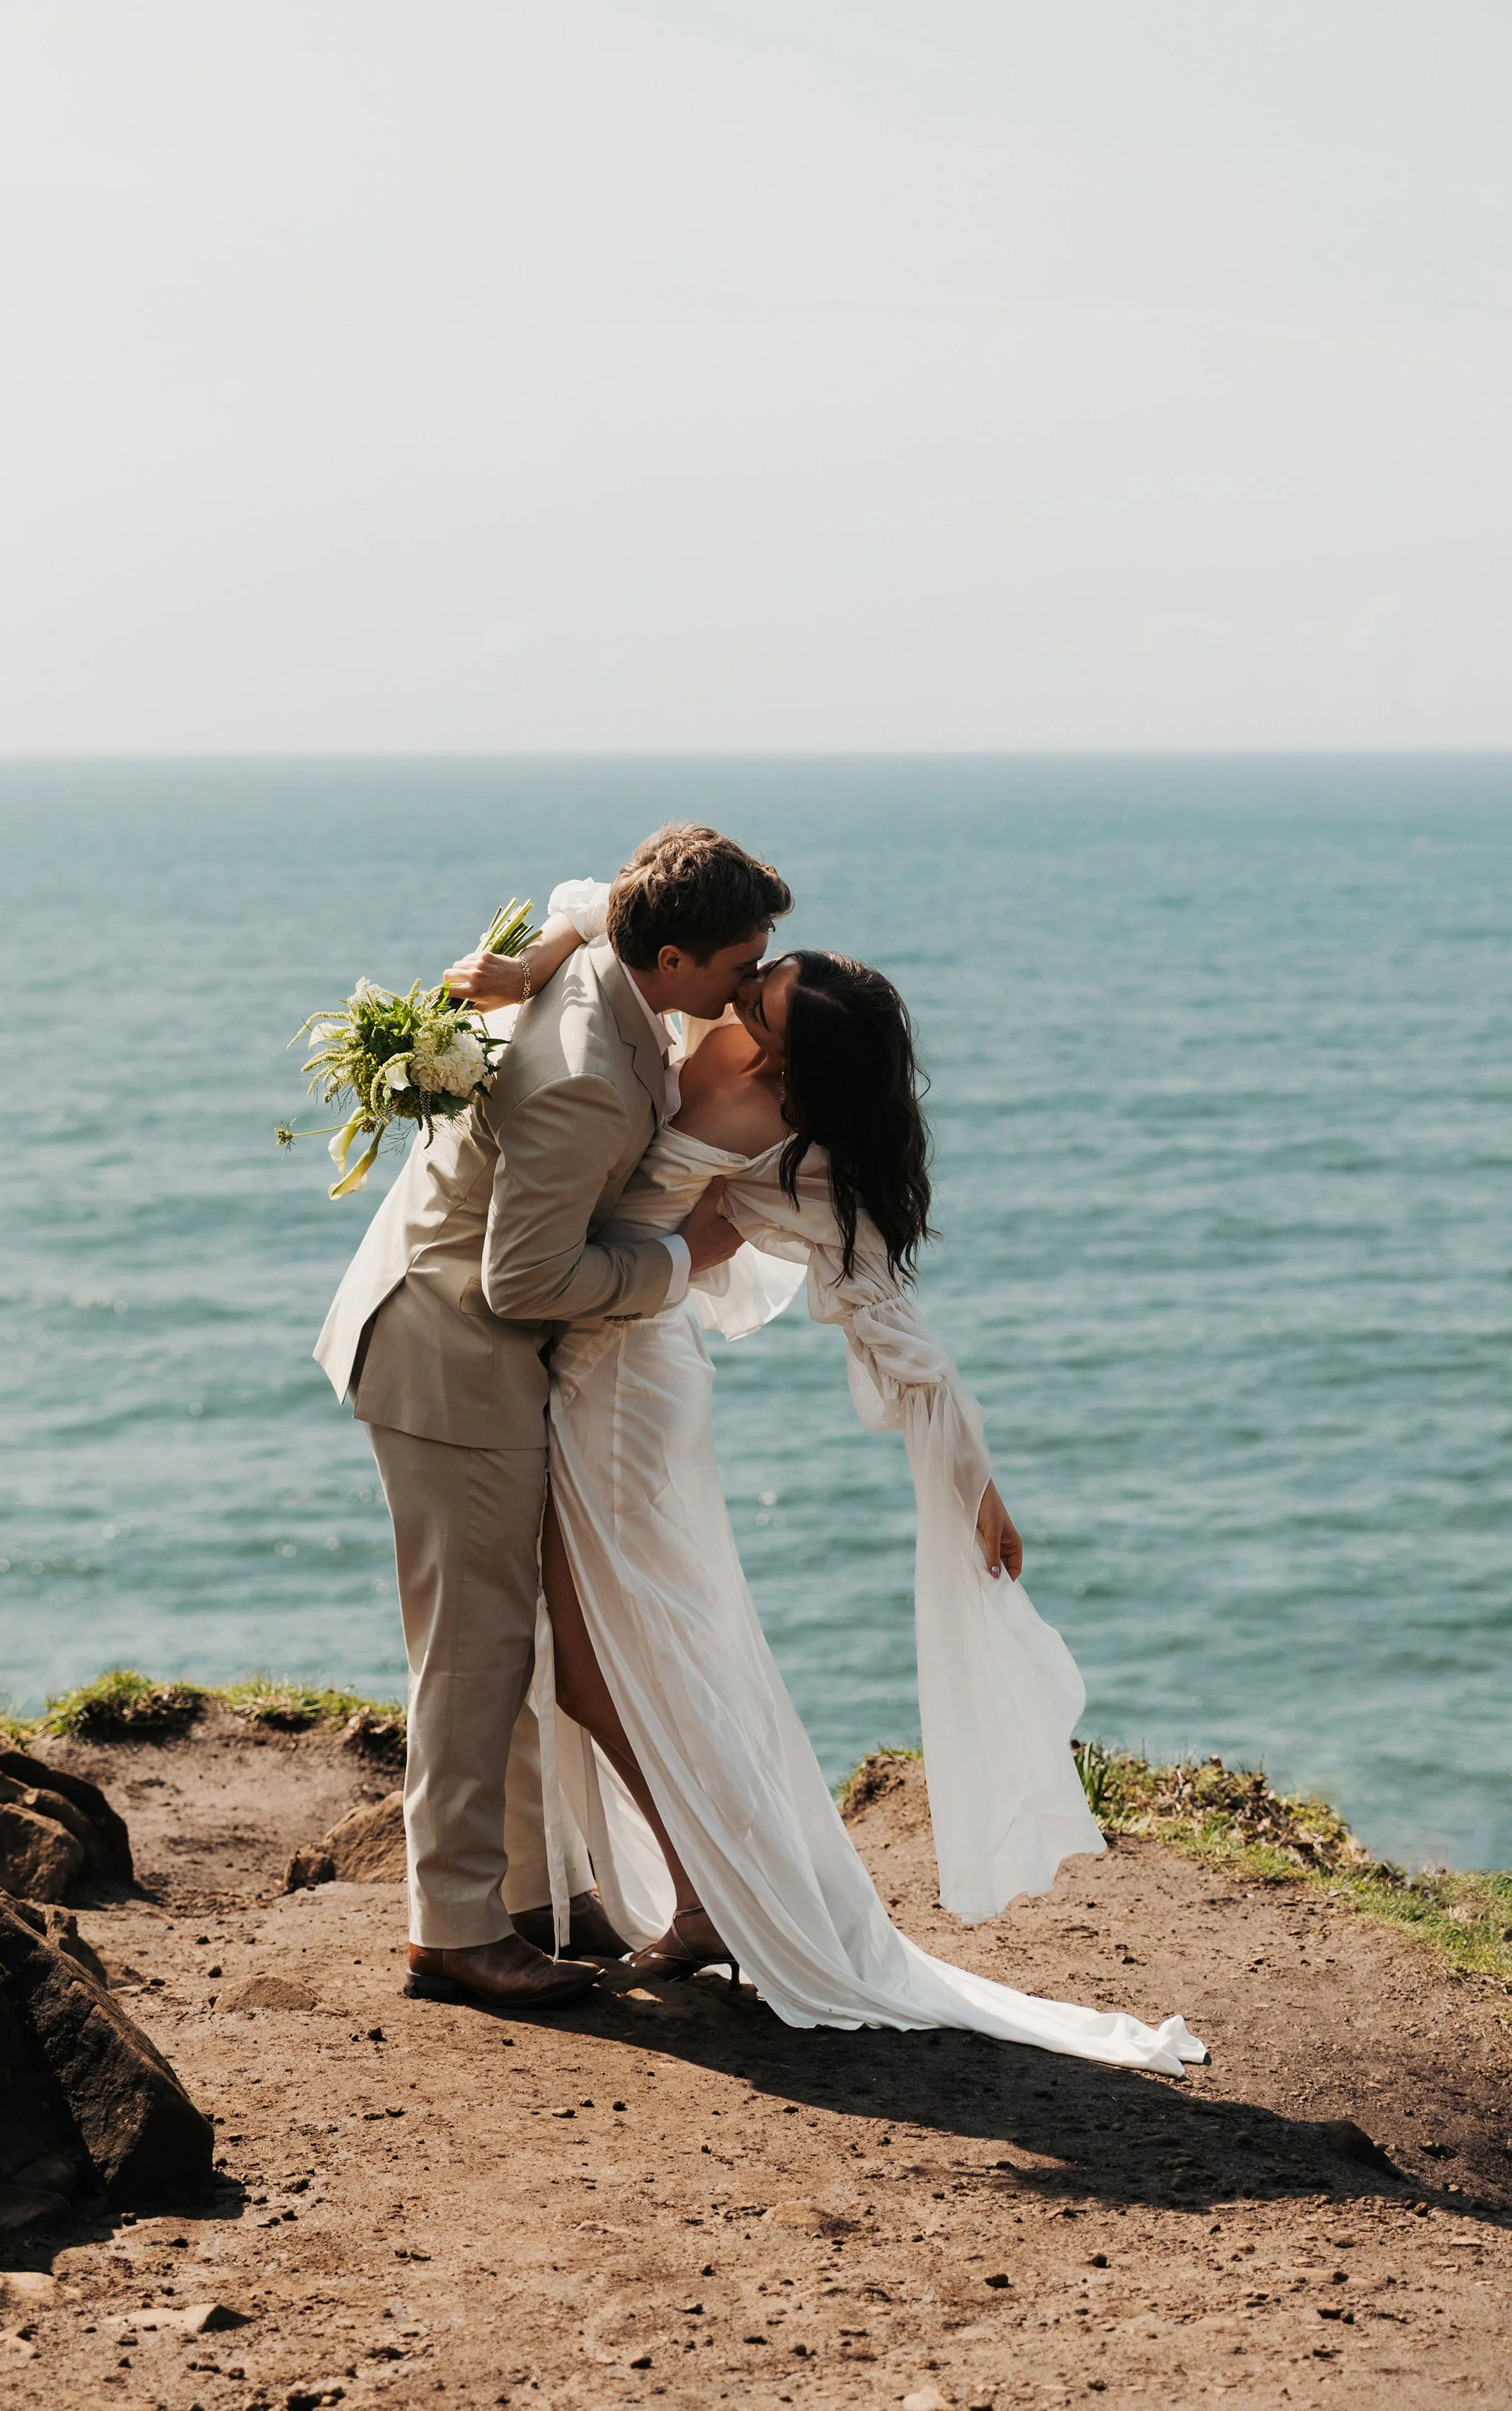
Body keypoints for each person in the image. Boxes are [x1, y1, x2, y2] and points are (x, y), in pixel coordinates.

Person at [447, 881, 1207, 2073]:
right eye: (753, 975)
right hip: (581, 1363)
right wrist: (530, 963)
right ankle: (690, 1894)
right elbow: (610, 909)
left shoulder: (798, 1154)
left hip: (628, 1396)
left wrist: (979, 1490)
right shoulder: (705, 1013)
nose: (741, 993)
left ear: (804, 1064)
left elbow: (897, 1339)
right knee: (606, 1660)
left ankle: (709, 1901)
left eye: (767, 998)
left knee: (601, 1669)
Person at [314, 826, 791, 2009]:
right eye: (738, 967)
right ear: (672, 959)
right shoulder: (587, 1071)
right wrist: (683, 1260)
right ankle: (456, 1932)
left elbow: (587, 900)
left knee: (503, 1639)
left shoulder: (605, 954)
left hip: (452, 1341)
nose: (748, 989)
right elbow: (521, 1281)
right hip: (449, 1359)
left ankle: (519, 1899)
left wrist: (528, 959)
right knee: (475, 1649)